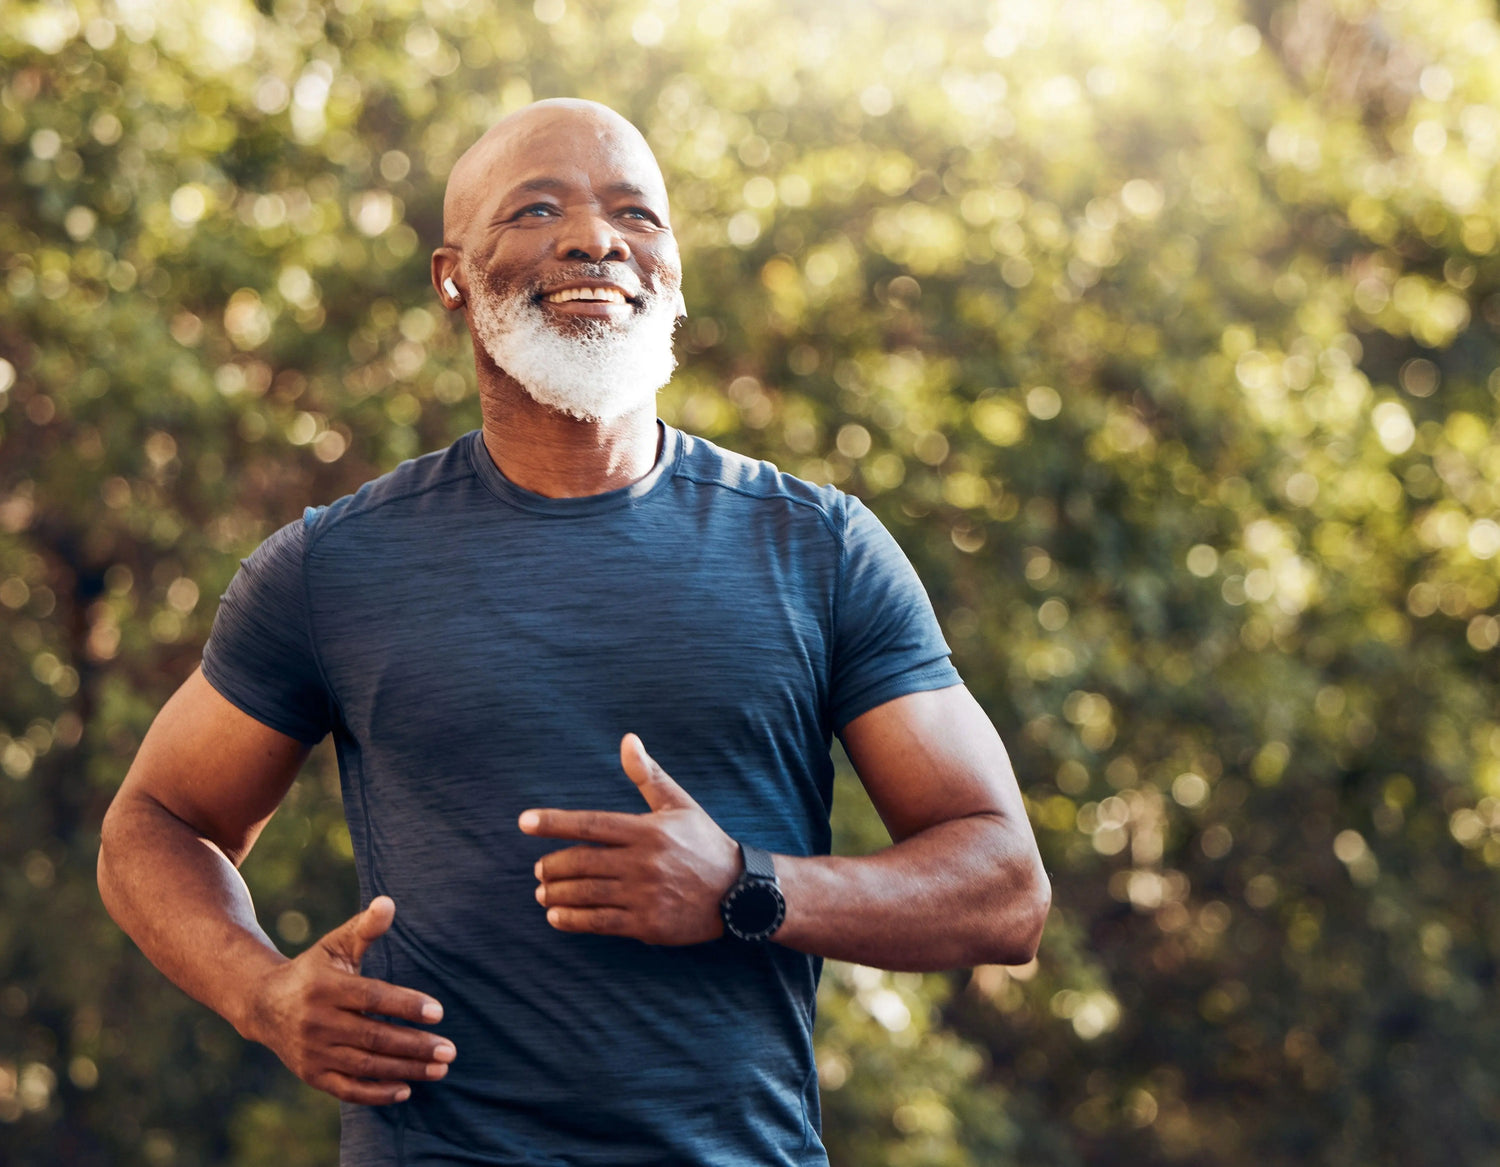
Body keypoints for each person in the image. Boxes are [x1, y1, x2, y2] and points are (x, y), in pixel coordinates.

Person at [97, 98, 1050, 1166]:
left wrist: (745, 886)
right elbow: (157, 820)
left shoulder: (818, 549)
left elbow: (1005, 890)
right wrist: (261, 994)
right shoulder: (335, 565)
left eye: (636, 214)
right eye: (536, 209)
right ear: (451, 276)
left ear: (672, 267)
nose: (595, 239)